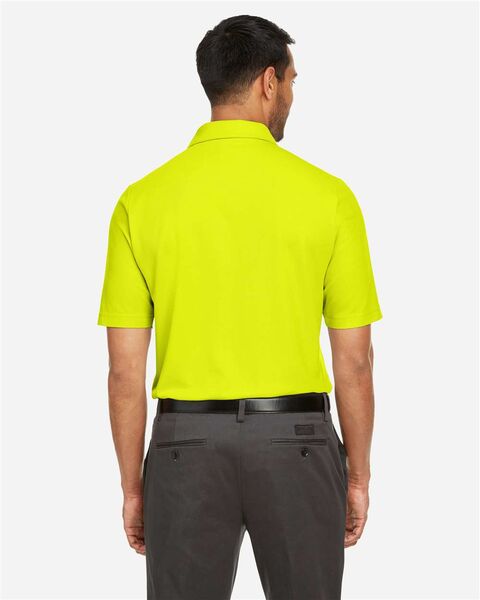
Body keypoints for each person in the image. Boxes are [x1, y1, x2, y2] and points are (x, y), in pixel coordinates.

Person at [97, 14, 383, 600]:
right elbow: (355, 361)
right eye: (293, 82)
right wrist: (356, 477)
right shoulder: (330, 197)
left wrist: (133, 487)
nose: (292, 96)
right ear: (268, 83)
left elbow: (124, 372)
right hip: (298, 442)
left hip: (183, 448)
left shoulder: (140, 201)